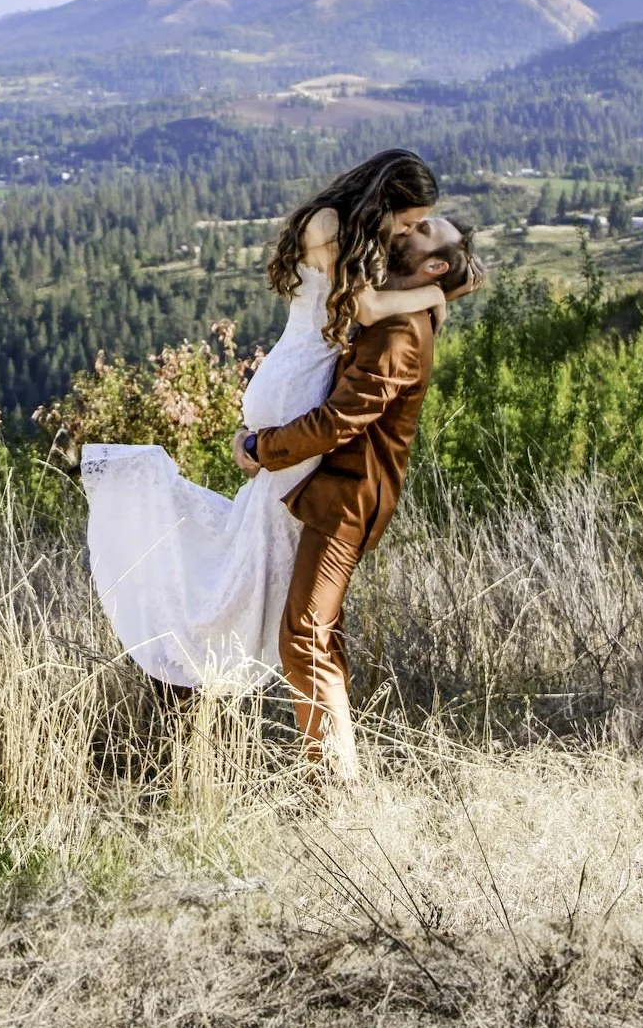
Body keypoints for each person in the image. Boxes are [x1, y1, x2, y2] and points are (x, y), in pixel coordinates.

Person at [81, 150, 479, 705]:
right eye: (409, 221)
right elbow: (366, 310)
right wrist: (437, 293)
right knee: (263, 559)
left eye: (417, 228)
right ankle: (212, 645)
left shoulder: (349, 229)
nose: (404, 232)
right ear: (387, 198)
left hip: (297, 385)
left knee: (259, 549)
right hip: (298, 388)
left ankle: (219, 659)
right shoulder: (332, 224)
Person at [234, 212, 474, 781]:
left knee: (305, 636)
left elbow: (337, 422)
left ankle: (336, 786)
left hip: (347, 499)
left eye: (421, 232)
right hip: (329, 490)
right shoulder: (394, 309)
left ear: (433, 267)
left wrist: (262, 446)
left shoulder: (401, 333)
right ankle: (338, 772)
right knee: (316, 634)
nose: (405, 231)